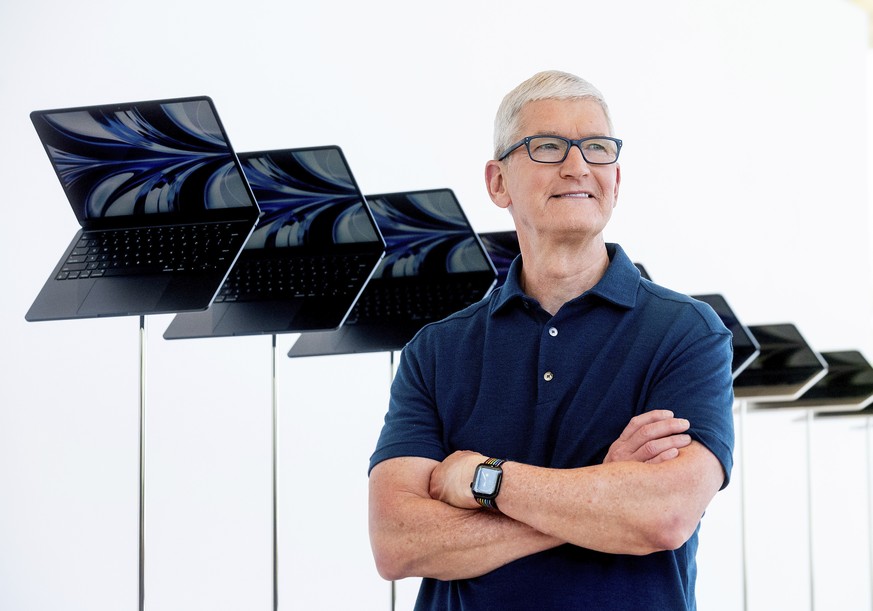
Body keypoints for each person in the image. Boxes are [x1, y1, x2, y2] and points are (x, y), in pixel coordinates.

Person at [368, 70, 734, 610]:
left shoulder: (686, 334)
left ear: (617, 177)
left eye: (597, 148)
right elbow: (398, 543)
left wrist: (483, 480)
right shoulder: (436, 352)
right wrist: (604, 491)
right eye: (547, 147)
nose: (577, 165)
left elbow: (664, 514)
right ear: (497, 182)